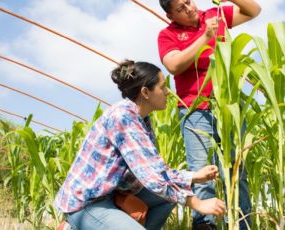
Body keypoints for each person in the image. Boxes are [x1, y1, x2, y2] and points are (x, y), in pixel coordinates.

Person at [53, 60, 226, 230]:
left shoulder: (142, 119)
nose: (167, 92)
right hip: (87, 204)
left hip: (113, 195)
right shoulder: (123, 117)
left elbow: (157, 170)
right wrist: (198, 204)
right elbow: (153, 179)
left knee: (169, 197)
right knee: (169, 192)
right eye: (163, 86)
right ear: (145, 92)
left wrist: (194, 176)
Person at [157, 0, 261, 229]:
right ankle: (205, 225)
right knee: (203, 173)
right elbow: (173, 64)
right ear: (170, 15)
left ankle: (242, 224)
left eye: (188, 1)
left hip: (230, 106)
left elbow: (253, 10)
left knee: (237, 172)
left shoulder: (216, 14)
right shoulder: (167, 34)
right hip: (195, 110)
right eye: (181, 9)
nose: (190, 8)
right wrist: (206, 37)